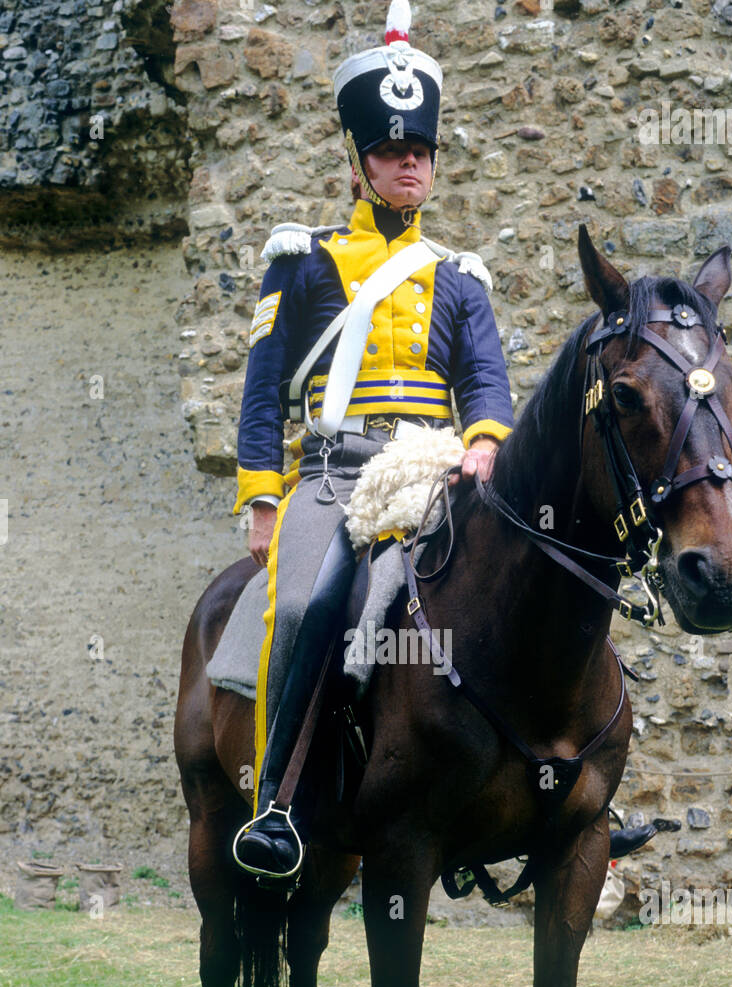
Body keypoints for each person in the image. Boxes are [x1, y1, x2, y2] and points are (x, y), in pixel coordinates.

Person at [231, 1, 514, 882]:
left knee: (528, 580)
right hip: (333, 476)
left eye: (420, 153)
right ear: (357, 165)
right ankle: (278, 803)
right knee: (305, 604)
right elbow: (261, 390)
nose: (409, 166)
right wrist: (263, 499)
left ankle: (560, 782)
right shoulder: (303, 260)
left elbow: (483, 380)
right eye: (393, 153)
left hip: (432, 473)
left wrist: (484, 441)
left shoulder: (457, 277)